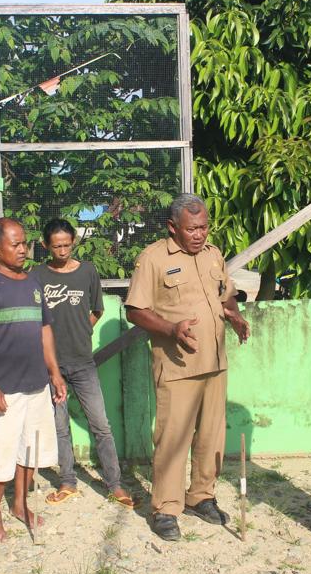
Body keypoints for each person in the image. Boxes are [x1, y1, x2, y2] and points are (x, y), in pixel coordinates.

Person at [125, 193, 251, 541]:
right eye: (191, 229)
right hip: (177, 365)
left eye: (204, 227)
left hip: (215, 362)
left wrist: (234, 315)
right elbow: (134, 310)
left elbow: (226, 293)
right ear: (173, 227)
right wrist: (170, 329)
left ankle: (201, 496)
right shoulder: (153, 259)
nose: (199, 234)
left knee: (212, 436)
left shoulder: (213, 254)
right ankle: (166, 508)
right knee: (173, 439)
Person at [0, 217, 67, 543]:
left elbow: (45, 329)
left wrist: (54, 373)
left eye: (25, 243)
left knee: (29, 452)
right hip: (4, 390)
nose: (23, 249)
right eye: (15, 244)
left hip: (36, 385)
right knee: (0, 456)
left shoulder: (33, 281)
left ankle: (20, 505)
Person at [29, 218, 135, 508]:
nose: (63, 251)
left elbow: (97, 309)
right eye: (56, 246)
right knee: (59, 426)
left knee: (100, 424)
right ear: (45, 245)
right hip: (51, 365)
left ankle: (115, 485)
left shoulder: (87, 271)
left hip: (83, 363)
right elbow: (34, 319)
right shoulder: (37, 275)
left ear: (74, 242)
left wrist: (83, 329)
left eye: (67, 245)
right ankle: (67, 482)